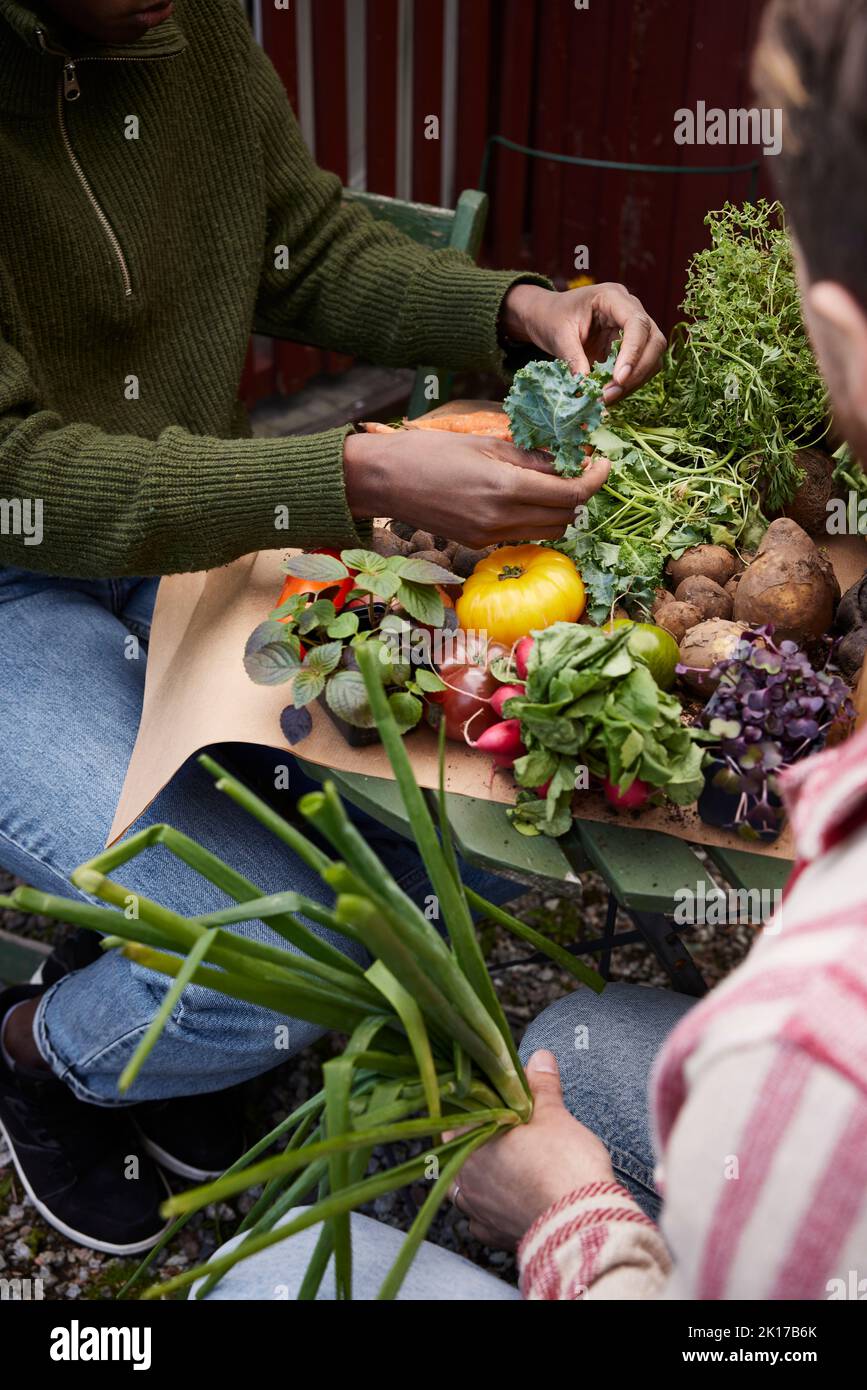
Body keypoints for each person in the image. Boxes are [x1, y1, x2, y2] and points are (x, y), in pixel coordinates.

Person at [200, 0, 867, 1301]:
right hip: (74, 571)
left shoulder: (802, 1051)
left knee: (259, 1273)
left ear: (837, 327)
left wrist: (570, 1213)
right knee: (561, 1025)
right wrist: (500, 321)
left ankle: (87, 1050)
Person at [0, 0, 665, 1255]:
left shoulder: (189, 33)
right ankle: (44, 1058)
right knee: (282, 948)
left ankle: (157, 1014)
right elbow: (14, 468)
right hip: (13, 586)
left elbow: (305, 251)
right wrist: (353, 476)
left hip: (182, 546)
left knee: (451, 844)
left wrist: (519, 306)